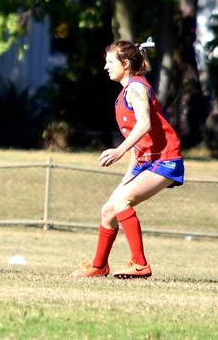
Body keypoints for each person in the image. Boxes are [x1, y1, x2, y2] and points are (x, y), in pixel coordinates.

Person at [71, 39, 184, 279]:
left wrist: (118, 151)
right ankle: (99, 266)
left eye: (110, 62)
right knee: (108, 210)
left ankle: (140, 264)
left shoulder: (136, 88)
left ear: (125, 64)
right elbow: (138, 145)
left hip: (165, 158)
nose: (106, 67)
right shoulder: (126, 91)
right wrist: (126, 178)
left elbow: (144, 125)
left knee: (122, 202)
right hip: (147, 161)